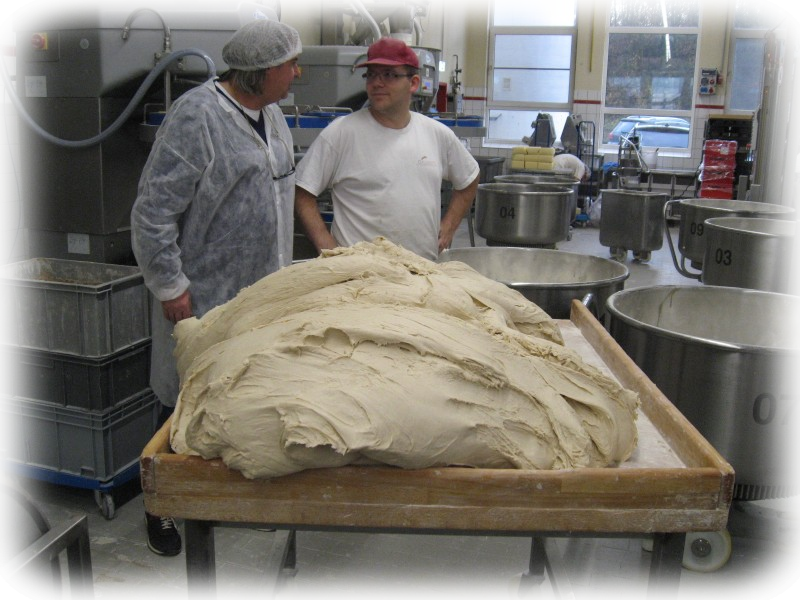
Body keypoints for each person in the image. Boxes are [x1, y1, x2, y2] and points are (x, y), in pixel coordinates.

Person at [130, 17, 301, 556]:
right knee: (182, 400)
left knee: (239, 395)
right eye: (291, 64)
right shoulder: (198, 116)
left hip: (259, 288)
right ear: (262, 71)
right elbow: (153, 211)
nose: (297, 72)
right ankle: (159, 506)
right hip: (202, 291)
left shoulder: (271, 114)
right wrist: (169, 285)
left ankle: (221, 498)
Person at [294, 37, 480, 260]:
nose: (377, 83)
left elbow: (469, 178)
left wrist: (448, 227)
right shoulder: (341, 133)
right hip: (360, 273)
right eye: (371, 75)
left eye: (389, 75)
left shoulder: (436, 134)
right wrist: (328, 248)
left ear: (413, 83)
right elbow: (303, 193)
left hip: (421, 269)